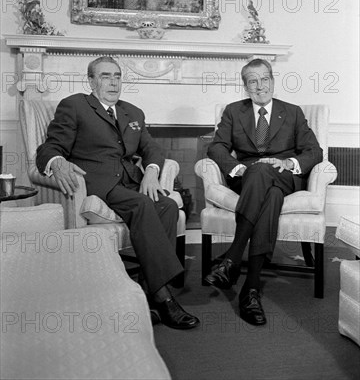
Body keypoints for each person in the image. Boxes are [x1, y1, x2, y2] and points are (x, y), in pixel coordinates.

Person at [36, 56, 199, 330]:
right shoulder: (75, 106)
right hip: (98, 183)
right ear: (91, 81)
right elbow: (50, 146)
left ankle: (148, 288)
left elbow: (151, 149)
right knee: (142, 205)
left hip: (131, 180)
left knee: (168, 206)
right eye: (105, 76)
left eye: (117, 76)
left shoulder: (133, 112)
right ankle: (163, 297)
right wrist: (56, 162)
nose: (113, 82)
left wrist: (151, 171)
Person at [205, 58, 323, 326]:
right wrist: (237, 169)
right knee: (269, 196)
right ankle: (251, 288)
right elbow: (217, 148)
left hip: (283, 175)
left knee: (264, 175)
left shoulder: (292, 112)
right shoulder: (234, 111)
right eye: (253, 82)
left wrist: (288, 163)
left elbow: (314, 151)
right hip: (249, 179)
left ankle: (233, 258)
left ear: (272, 80)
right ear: (245, 86)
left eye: (264, 79)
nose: (260, 86)